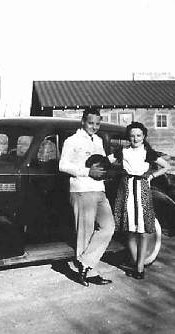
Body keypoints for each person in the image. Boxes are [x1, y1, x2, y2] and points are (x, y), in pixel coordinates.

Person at [59, 107, 114, 287]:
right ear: (83, 121)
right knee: (85, 232)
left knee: (108, 227)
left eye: (97, 123)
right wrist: (86, 171)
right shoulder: (72, 140)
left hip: (99, 188)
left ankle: (84, 264)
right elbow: (63, 165)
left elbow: (103, 163)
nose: (94, 127)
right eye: (91, 123)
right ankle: (88, 272)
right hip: (82, 189)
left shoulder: (98, 140)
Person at [108, 122, 169, 279]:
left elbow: (165, 166)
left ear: (144, 137)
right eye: (132, 135)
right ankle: (135, 262)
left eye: (138, 135)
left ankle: (140, 267)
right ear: (128, 137)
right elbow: (106, 160)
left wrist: (151, 176)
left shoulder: (148, 152)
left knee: (141, 230)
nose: (135, 139)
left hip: (142, 189)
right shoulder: (123, 151)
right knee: (129, 229)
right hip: (126, 189)